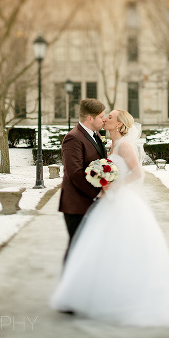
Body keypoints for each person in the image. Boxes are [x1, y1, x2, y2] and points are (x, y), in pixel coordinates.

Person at [50, 109, 169, 327]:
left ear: (119, 124)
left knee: (124, 248)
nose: (105, 119)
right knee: (104, 248)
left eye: (110, 117)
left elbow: (138, 173)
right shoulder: (108, 144)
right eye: (105, 116)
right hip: (107, 202)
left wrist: (114, 186)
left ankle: (127, 295)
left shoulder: (124, 145)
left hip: (122, 201)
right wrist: (103, 182)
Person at [58, 98, 106, 258]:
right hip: (76, 205)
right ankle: (68, 281)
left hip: (89, 204)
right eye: (101, 116)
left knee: (87, 249)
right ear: (90, 118)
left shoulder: (95, 135)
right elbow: (75, 173)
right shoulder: (73, 138)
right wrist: (97, 193)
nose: (104, 119)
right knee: (76, 248)